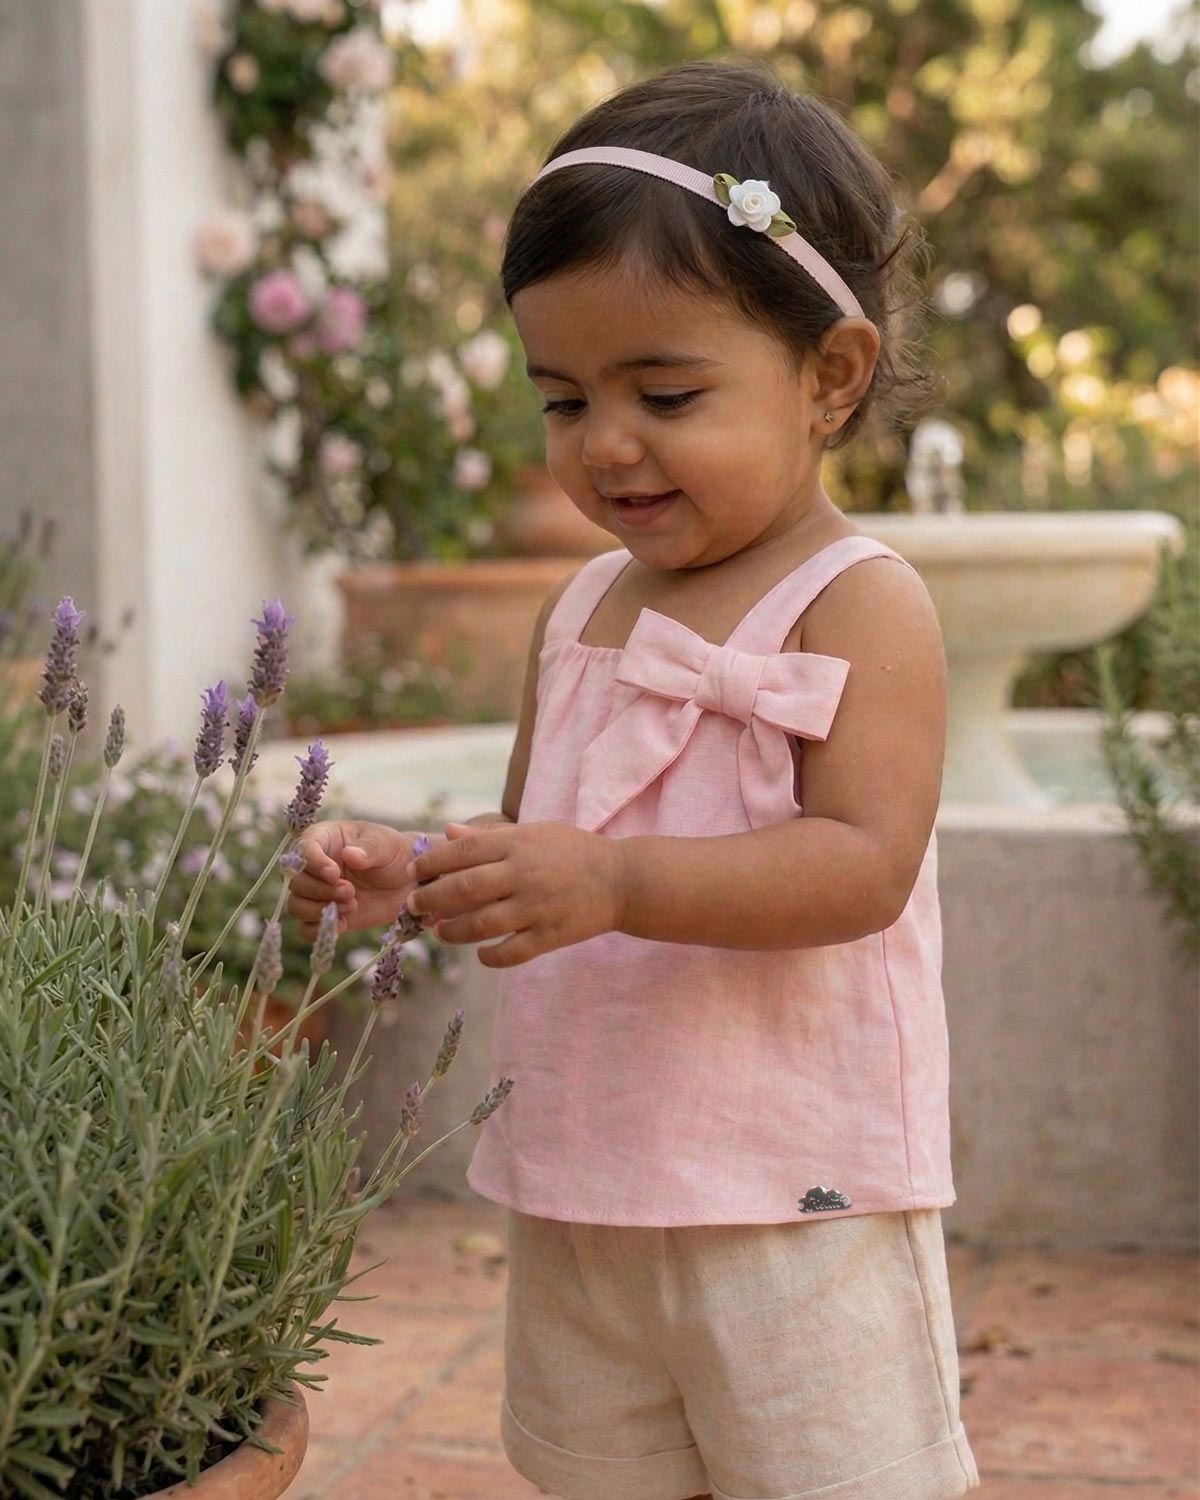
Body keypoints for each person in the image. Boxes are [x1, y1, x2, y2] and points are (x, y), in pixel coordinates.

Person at [288, 57, 980, 1500]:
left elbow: (863, 867)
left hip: (800, 1194)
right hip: (586, 1178)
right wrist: (419, 873)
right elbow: (549, 844)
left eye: (664, 391)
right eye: (561, 400)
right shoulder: (584, 606)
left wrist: (614, 881)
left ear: (829, 375)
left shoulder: (860, 602)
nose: (606, 444)